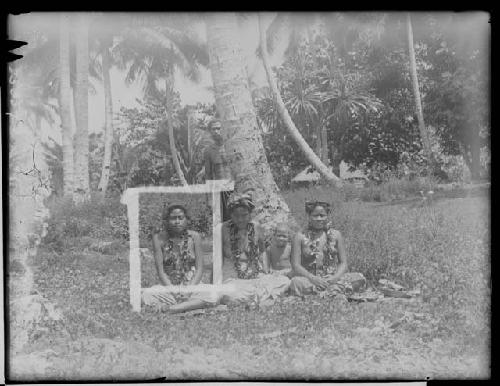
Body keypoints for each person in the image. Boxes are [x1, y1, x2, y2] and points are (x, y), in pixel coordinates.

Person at [142, 204, 217, 313]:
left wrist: (188, 291)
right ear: (167, 221)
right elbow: (161, 272)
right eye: (173, 218)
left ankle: (171, 308)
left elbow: (200, 269)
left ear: (187, 220)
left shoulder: (194, 237)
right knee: (147, 294)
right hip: (169, 286)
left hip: (192, 286)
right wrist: (173, 291)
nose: (177, 222)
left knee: (213, 293)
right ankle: (188, 305)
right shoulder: (158, 238)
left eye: (180, 218)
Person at [289, 201, 366, 296]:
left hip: (331, 277)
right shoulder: (299, 236)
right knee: (295, 282)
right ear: (309, 216)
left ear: (327, 216)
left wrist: (335, 277)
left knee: (359, 277)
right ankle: (333, 292)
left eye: (322, 215)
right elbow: (295, 265)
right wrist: (313, 279)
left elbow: (343, 263)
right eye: (315, 215)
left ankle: (324, 292)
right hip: (310, 279)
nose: (319, 219)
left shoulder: (336, 234)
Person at [201, 118, 232, 222]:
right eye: (213, 129)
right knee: (225, 220)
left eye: (218, 128)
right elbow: (208, 174)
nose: (216, 131)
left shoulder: (231, 146)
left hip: (235, 187)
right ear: (210, 132)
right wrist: (209, 197)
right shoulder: (208, 151)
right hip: (221, 189)